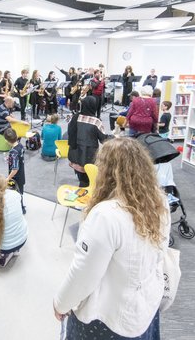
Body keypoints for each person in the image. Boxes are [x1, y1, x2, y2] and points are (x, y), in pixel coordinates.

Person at [54, 137, 171, 340]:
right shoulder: (159, 200)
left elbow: (84, 274)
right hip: (145, 307)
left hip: (108, 320)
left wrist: (61, 303)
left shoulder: (106, 215)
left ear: (107, 172)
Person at [68, 96, 111, 187]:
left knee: (82, 178)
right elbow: (104, 139)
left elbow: (70, 133)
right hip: (88, 156)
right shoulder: (96, 121)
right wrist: (115, 137)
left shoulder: (76, 117)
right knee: (88, 180)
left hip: (75, 154)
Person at [4, 128, 26, 214]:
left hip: (16, 178)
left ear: (6, 140)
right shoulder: (20, 145)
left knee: (16, 195)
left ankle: (20, 210)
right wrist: (10, 159)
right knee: (20, 193)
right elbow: (19, 159)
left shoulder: (13, 152)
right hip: (22, 175)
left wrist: (8, 178)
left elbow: (15, 169)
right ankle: (21, 207)